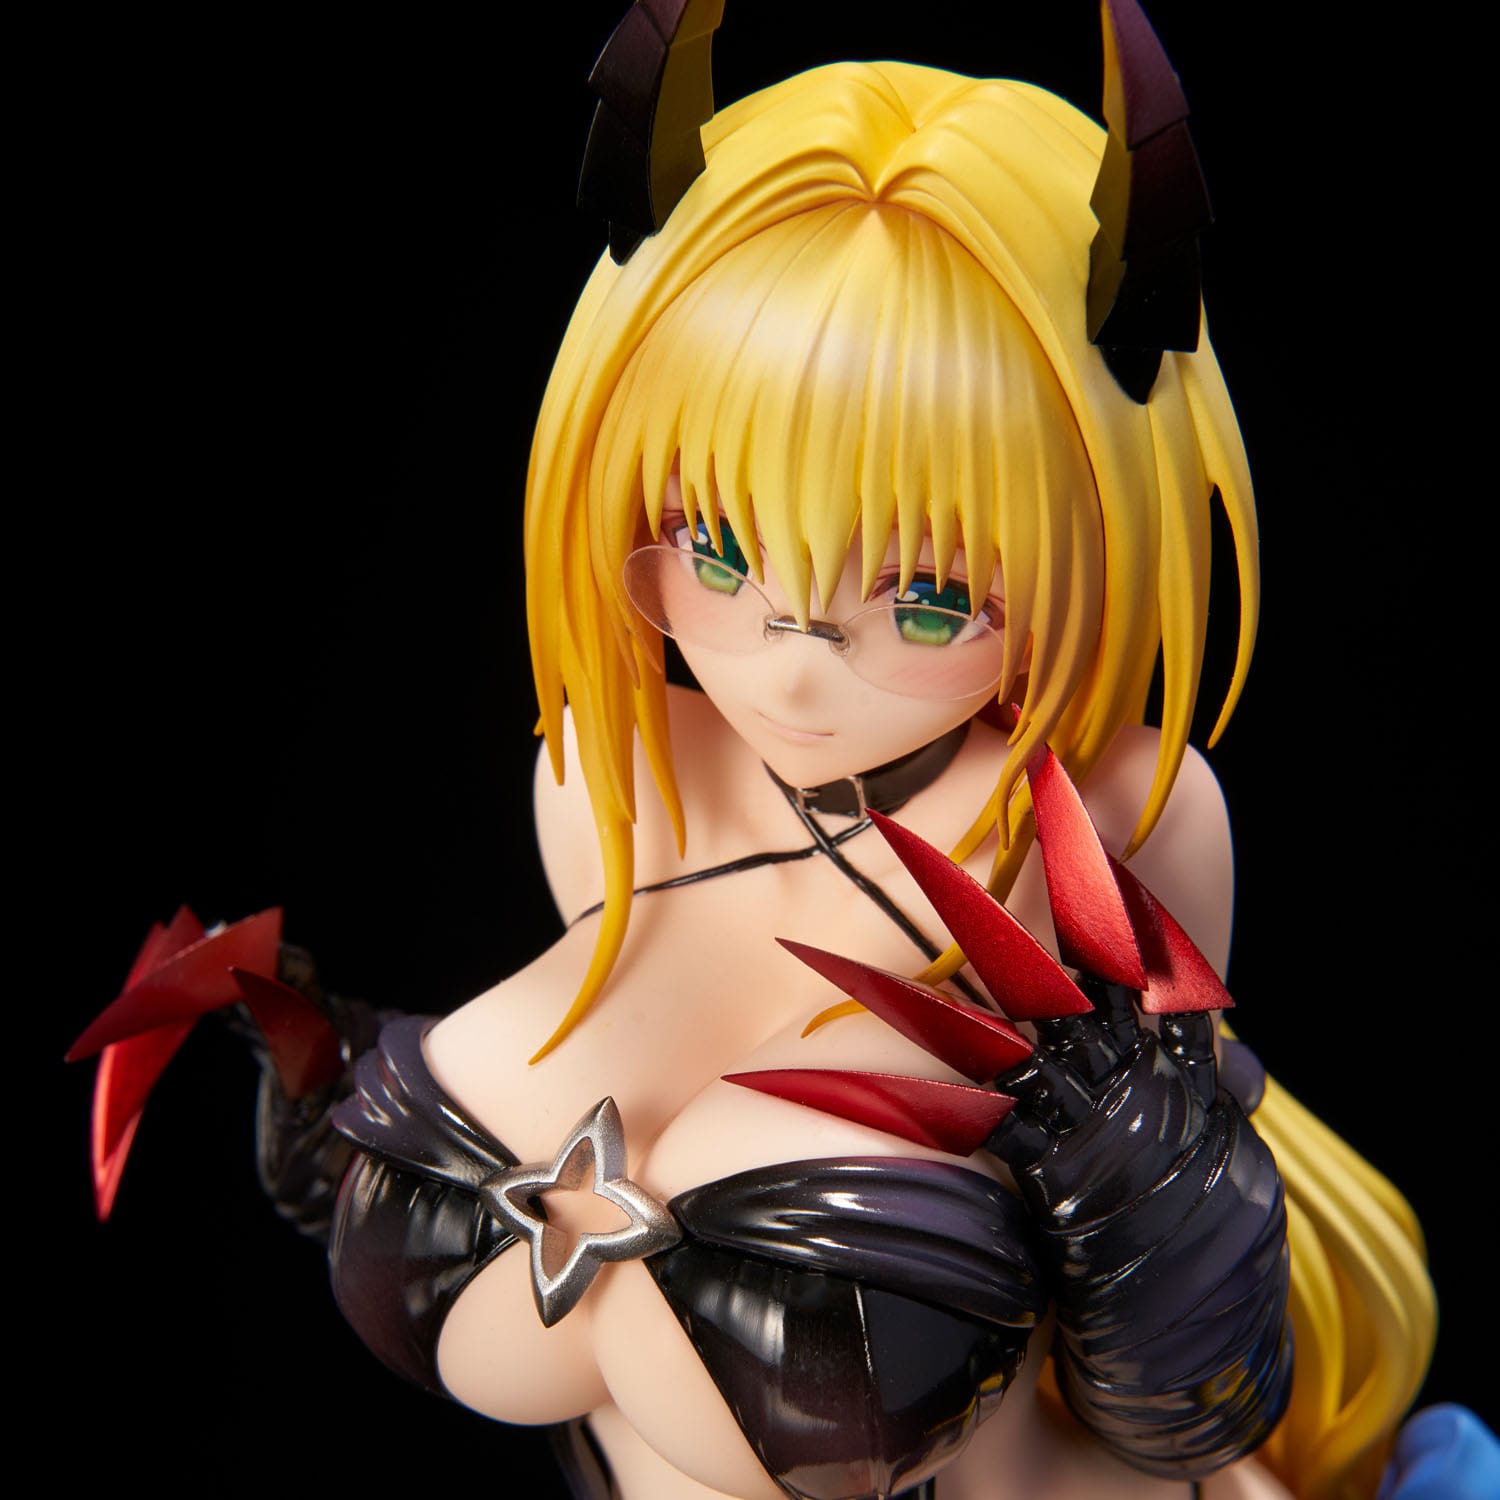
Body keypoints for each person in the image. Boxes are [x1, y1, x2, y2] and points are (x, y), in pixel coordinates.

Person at [59, 7, 1467, 1499]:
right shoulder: (614, 780)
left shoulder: (1100, 824)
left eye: (930, 595)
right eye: (716, 548)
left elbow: (1182, 1377)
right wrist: (327, 1082)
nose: (794, 657)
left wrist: (1142, 1175)